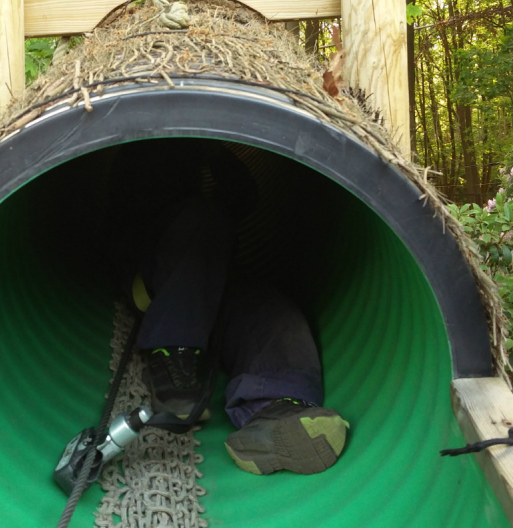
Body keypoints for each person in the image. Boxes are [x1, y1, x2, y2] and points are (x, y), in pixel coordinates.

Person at [110, 139, 349, 476]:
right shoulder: (145, 155)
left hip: (216, 281)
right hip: (155, 279)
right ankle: (174, 362)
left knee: (269, 309)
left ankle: (275, 412)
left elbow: (244, 197)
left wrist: (217, 153)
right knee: (200, 220)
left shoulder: (210, 172)